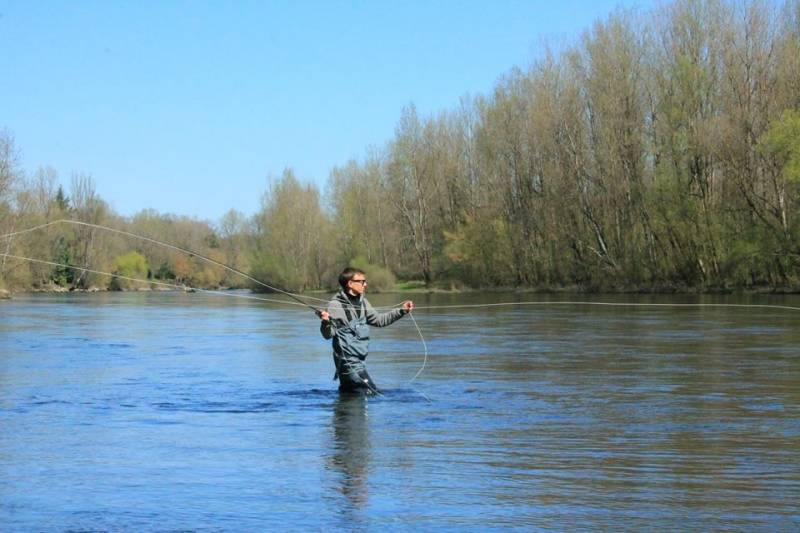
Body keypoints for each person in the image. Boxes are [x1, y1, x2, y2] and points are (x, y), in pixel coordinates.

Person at [319, 267, 413, 394]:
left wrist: (401, 311)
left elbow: (379, 321)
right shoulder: (335, 305)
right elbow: (327, 335)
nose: (365, 284)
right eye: (362, 281)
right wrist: (325, 322)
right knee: (373, 393)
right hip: (348, 364)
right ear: (350, 284)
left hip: (360, 362)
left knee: (350, 396)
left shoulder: (363, 303)